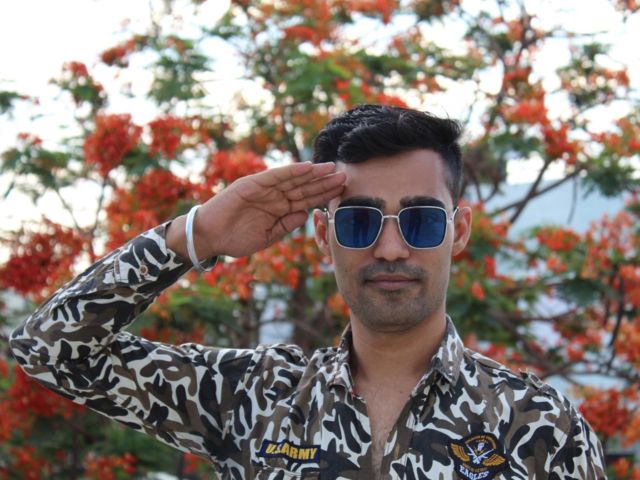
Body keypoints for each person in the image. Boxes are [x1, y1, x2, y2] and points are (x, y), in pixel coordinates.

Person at [10, 105, 606, 479]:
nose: (391, 249)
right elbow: (50, 349)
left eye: (422, 220)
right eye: (359, 221)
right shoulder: (252, 399)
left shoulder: (537, 425)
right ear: (323, 235)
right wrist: (197, 235)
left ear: (460, 231)